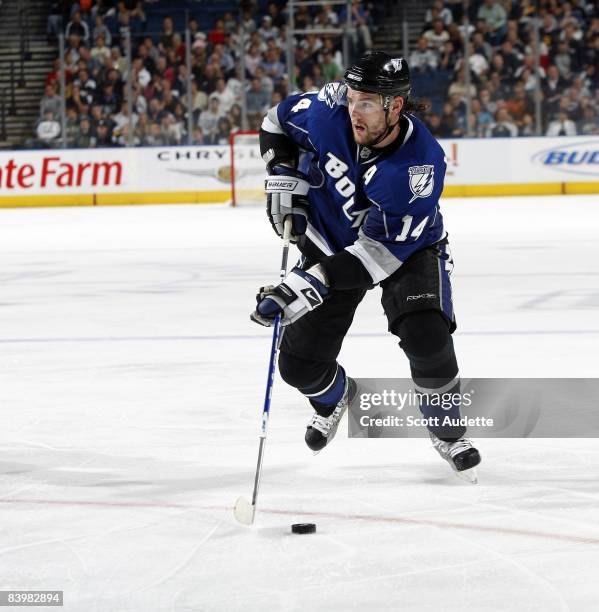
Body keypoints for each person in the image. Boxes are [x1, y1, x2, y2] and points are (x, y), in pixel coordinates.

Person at [252, 51, 481, 480]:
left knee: (427, 337)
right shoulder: (327, 111)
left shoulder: (417, 167)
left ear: (395, 106)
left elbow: (378, 256)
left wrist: (309, 283)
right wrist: (283, 177)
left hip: (405, 250)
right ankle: (335, 397)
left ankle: (448, 432)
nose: (354, 111)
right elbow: (275, 122)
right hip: (332, 242)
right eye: (352, 97)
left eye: (367, 103)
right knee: (298, 367)